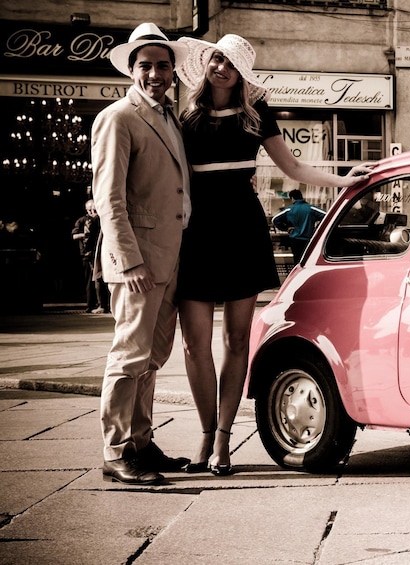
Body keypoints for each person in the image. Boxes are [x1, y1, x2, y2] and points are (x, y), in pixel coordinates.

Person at [174, 34, 375, 476]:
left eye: (230, 62)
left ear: (242, 72)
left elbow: (294, 168)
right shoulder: (184, 112)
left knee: (237, 339)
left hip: (241, 228)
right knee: (193, 344)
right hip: (196, 231)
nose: (221, 67)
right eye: (216, 59)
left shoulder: (255, 113)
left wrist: (344, 180)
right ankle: (204, 434)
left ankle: (224, 439)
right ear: (206, 64)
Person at [91, 23, 192, 485]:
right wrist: (128, 260)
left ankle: (141, 442)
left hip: (170, 257)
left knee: (152, 358)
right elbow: (109, 197)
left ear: (173, 70)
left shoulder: (171, 116)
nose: (155, 73)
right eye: (145, 66)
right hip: (139, 261)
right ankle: (116, 451)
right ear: (132, 71)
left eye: (163, 65)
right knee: (129, 357)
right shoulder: (118, 117)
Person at [71, 199, 109, 313]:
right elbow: (75, 235)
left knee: (99, 279)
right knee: (92, 280)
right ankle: (92, 304)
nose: (93, 212)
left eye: (94, 209)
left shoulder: (98, 220)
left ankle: (102, 304)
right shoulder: (84, 221)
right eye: (90, 210)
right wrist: (85, 235)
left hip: (98, 251)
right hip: (88, 253)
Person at [271, 189, 326, 262]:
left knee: (297, 261)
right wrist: (317, 228)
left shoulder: (289, 210)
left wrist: (285, 228)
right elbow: (327, 216)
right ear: (301, 197)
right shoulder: (311, 208)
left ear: (292, 198)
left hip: (295, 240)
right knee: (308, 261)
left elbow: (274, 219)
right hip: (308, 240)